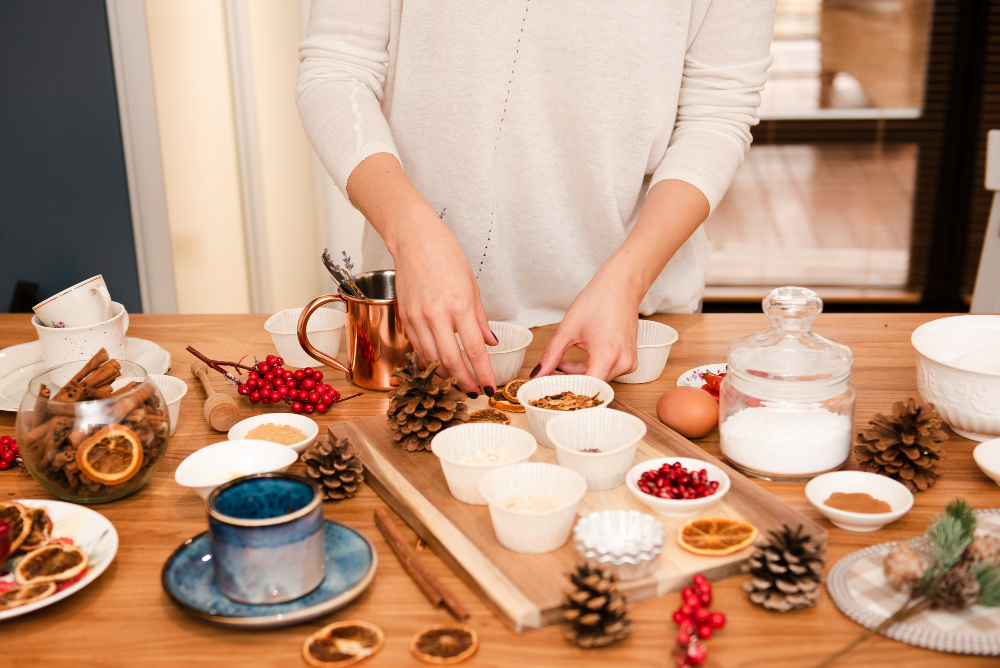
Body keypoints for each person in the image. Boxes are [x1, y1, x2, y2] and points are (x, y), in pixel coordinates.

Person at [297, 1, 775, 397]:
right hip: (423, 318)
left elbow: (717, 112)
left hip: (630, 324)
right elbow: (337, 69)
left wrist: (629, 278)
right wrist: (412, 235)